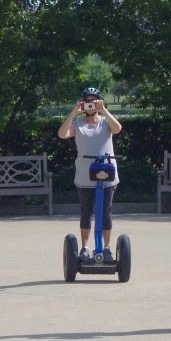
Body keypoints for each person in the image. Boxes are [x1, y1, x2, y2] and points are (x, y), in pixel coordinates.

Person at [57, 87, 123, 261]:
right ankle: (85, 248)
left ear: (100, 102)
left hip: (107, 173)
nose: (91, 104)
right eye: (88, 101)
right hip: (85, 175)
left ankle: (106, 249)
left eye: (94, 101)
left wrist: (104, 111)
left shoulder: (105, 121)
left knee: (105, 211)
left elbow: (117, 129)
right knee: (86, 211)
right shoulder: (78, 124)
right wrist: (73, 113)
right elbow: (62, 134)